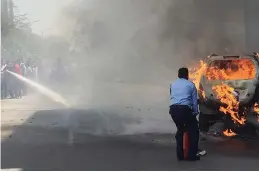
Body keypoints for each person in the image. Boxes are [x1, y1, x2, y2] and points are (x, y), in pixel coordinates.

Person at [169, 67, 206, 161]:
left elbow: (172, 97)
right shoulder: (191, 85)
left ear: (178, 75)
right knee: (194, 131)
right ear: (187, 75)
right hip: (185, 109)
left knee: (180, 130)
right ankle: (191, 155)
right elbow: (194, 102)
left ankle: (180, 155)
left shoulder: (173, 84)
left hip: (173, 109)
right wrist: (195, 113)